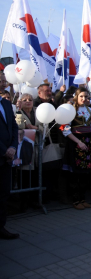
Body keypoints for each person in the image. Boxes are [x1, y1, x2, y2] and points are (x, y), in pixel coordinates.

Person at [62, 87, 91, 210]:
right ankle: (75, 200)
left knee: (86, 173)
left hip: (88, 141)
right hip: (75, 142)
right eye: (81, 96)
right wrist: (78, 142)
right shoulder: (71, 109)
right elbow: (66, 130)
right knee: (75, 172)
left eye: (86, 96)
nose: (84, 98)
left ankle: (83, 198)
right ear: (76, 96)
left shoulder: (89, 110)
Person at [0, 72, 19, 239]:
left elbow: (13, 127)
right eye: (0, 79)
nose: (3, 82)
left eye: (3, 79)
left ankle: (1, 227)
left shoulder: (6, 104)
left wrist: (13, 146)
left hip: (6, 158)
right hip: (2, 153)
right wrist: (4, 149)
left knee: (4, 193)